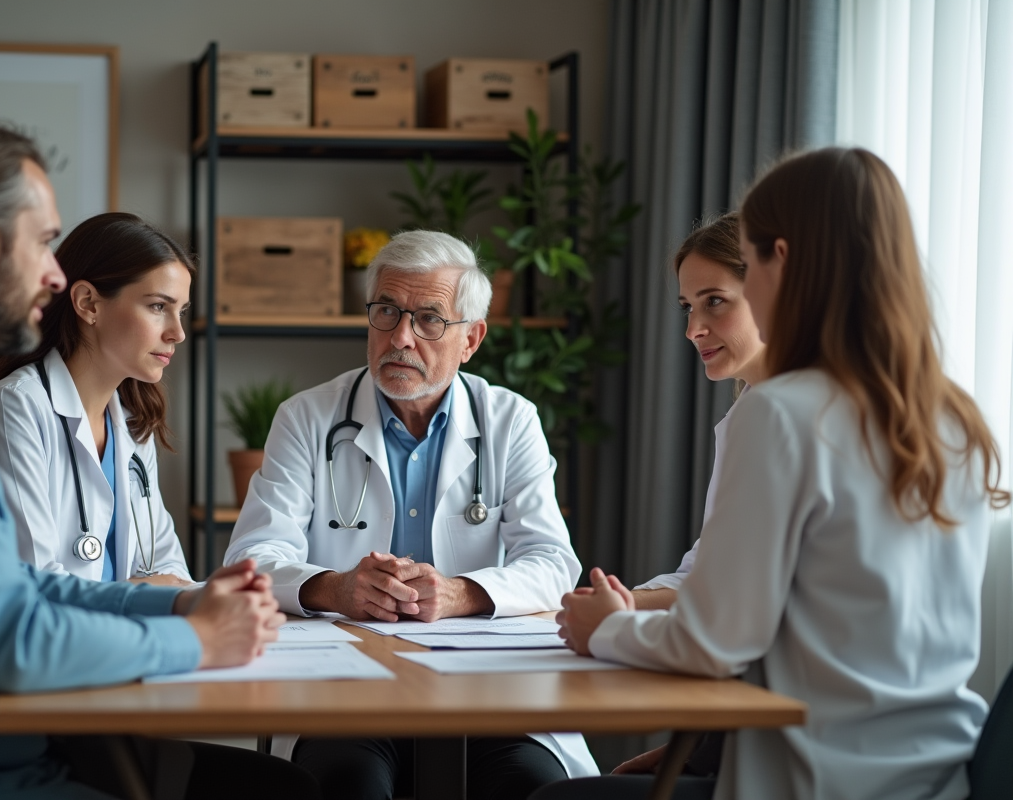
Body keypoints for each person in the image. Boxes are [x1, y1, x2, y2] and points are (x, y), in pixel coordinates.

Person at [0, 113, 318, 800]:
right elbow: (10, 640)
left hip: (2, 763)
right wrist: (199, 642)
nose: (55, 274)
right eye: (46, 241)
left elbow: (20, 591)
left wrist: (183, 609)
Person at [546, 147, 1008, 800]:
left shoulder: (782, 414)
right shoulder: (953, 416)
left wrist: (606, 630)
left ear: (780, 259)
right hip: (936, 778)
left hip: (815, 780)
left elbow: (717, 643)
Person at [224, 229, 597, 798]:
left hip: (486, 693)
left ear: (470, 339)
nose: (400, 337)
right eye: (386, 312)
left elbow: (552, 563)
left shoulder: (510, 421)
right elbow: (251, 559)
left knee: (530, 788)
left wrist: (460, 593)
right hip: (346, 693)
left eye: (429, 319)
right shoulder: (307, 418)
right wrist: (332, 587)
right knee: (349, 786)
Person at [0, 212, 195, 586]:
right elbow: (32, 585)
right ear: (88, 303)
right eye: (159, 307)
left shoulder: (134, 423)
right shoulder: (14, 408)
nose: (178, 333)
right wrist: (144, 592)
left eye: (181, 311)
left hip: (129, 639)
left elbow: (168, 566)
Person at [632, 211, 765, 614]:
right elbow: (708, 569)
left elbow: (749, 593)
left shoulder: (809, 419)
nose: (693, 329)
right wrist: (621, 601)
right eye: (688, 306)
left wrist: (622, 611)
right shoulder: (747, 415)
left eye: (715, 302)